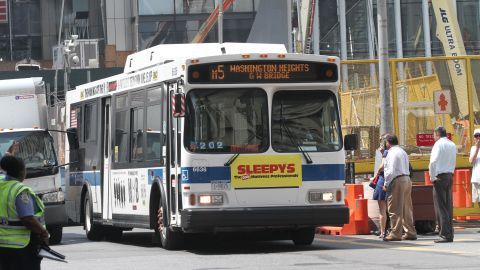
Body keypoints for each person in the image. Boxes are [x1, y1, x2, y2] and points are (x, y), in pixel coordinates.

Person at [0, 156, 49, 270]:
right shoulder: (20, 190)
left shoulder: (1, 184)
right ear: (22, 171)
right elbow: (28, 219)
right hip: (20, 247)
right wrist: (44, 233)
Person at [382, 134, 417, 241]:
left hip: (397, 179)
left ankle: (395, 233)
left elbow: (390, 170)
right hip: (406, 179)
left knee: (394, 208)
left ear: (388, 142)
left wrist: (386, 184)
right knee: (406, 208)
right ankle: (410, 231)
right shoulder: (402, 152)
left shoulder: (391, 153)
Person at [429, 127, 457, 243]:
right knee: (448, 205)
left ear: (437, 134)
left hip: (440, 176)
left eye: (433, 135)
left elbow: (433, 161)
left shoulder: (438, 144)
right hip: (449, 175)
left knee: (440, 206)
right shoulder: (452, 144)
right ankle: (449, 233)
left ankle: (444, 234)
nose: (433, 137)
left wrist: (432, 176)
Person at [372, 135, 389, 238]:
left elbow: (382, 166)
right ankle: (391, 230)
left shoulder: (386, 154)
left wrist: (377, 173)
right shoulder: (398, 152)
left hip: (383, 181)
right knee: (393, 209)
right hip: (393, 181)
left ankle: (382, 231)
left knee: (382, 209)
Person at [470, 129, 480, 208]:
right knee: (478, 201)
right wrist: (477, 148)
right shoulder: (473, 148)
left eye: (479, 136)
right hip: (476, 178)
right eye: (476, 136)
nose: (478, 138)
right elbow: (471, 161)